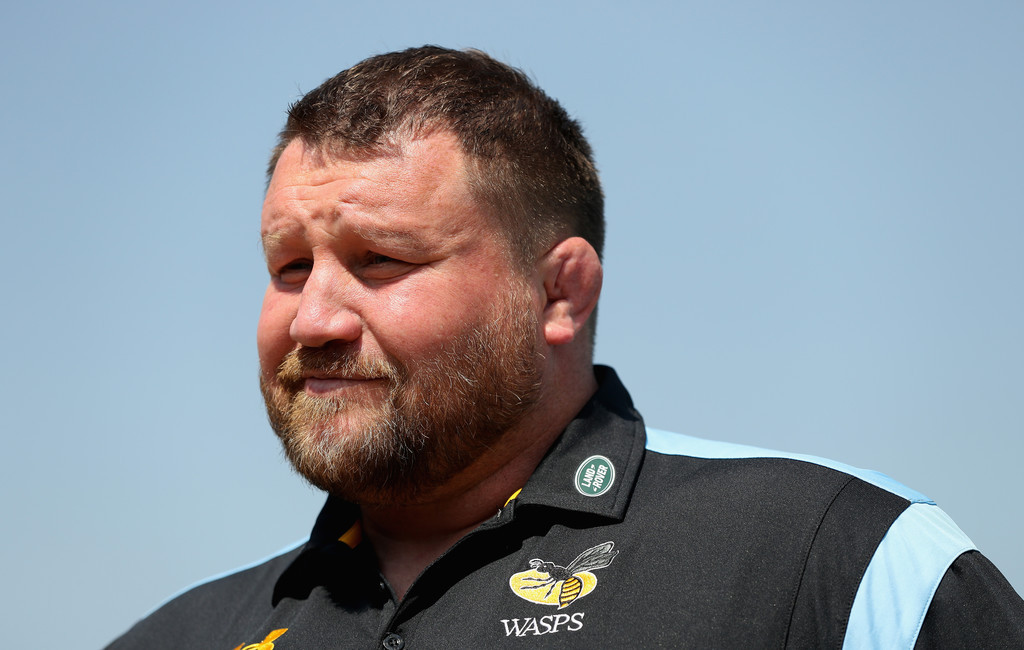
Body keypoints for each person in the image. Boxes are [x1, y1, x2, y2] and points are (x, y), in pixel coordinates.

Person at [107, 46, 1024, 648]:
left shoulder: (833, 561)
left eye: (381, 259)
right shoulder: (180, 636)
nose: (314, 321)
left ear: (560, 293)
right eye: (290, 267)